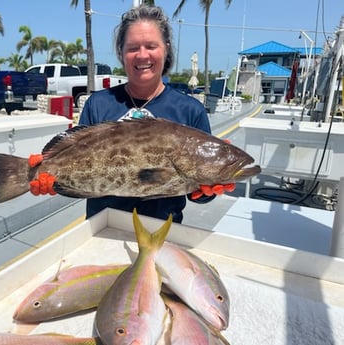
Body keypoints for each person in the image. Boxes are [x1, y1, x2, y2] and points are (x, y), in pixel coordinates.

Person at [29, 5, 235, 223]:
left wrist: (205, 190)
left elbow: (197, 194)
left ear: (166, 49)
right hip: (101, 227)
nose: (142, 55)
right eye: (133, 47)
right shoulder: (98, 103)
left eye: (151, 46)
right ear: (121, 53)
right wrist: (49, 176)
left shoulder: (191, 110)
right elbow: (77, 158)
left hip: (163, 232)